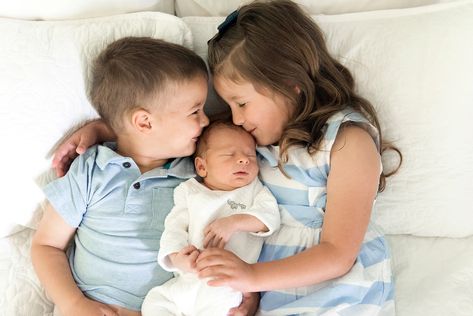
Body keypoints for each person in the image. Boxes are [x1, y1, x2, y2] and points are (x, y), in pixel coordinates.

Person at [52, 1, 402, 315]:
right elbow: (167, 130)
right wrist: (105, 129)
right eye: (229, 105)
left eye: (241, 103)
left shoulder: (346, 142)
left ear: (289, 81)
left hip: (340, 297)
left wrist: (250, 276)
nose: (233, 118)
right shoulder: (249, 144)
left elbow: (337, 254)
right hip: (269, 298)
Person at [31, 36, 211, 316]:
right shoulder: (91, 170)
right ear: (144, 122)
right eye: (195, 111)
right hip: (93, 307)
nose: (206, 120)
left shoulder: (197, 169)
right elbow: (46, 245)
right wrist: (72, 303)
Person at [141, 121, 280, 315]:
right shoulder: (189, 191)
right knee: (155, 302)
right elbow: (174, 227)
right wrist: (177, 258)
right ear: (202, 166)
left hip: (225, 286)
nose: (243, 160)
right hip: (187, 281)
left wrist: (235, 222)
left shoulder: (254, 190)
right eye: (229, 155)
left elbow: (269, 218)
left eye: (250, 155)